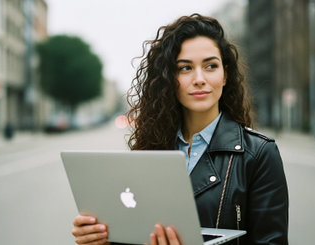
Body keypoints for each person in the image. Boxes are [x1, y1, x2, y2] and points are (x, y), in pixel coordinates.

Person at [72, 14, 289, 245]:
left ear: (225, 75)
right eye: (185, 68)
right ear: (169, 78)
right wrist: (103, 239)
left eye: (211, 66)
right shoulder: (150, 149)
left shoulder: (258, 154)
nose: (199, 79)